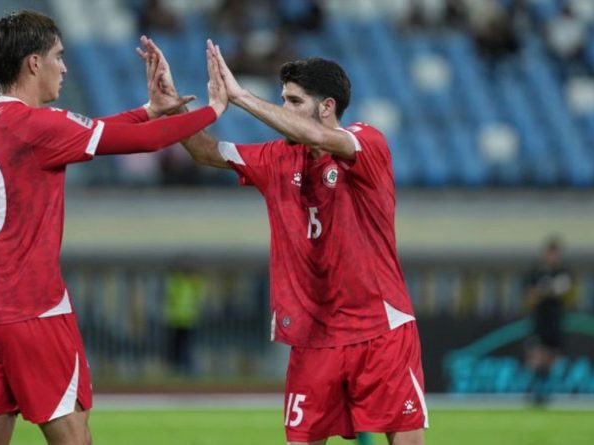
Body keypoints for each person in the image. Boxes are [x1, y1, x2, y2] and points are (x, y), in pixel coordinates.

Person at [0, 11, 227, 445]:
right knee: (74, 438)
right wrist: (214, 109)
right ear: (34, 63)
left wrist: (148, 111)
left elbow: (91, 132)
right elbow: (148, 142)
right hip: (32, 310)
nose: (64, 67)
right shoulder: (37, 125)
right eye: (58, 56)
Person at [138, 38, 427, 445]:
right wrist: (174, 108)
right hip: (313, 338)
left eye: (294, 101)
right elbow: (205, 151)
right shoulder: (276, 158)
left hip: (379, 329)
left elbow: (321, 138)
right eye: (283, 100)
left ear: (326, 107)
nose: (284, 109)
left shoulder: (366, 142)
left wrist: (240, 97)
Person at [523, 235, 572, 406]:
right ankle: (534, 389)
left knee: (553, 354)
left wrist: (546, 291)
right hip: (540, 319)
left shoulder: (563, 272)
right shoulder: (535, 273)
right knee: (538, 353)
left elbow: (566, 293)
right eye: (551, 253)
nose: (553, 257)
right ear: (545, 254)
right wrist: (546, 290)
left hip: (555, 319)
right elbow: (530, 298)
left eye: (556, 254)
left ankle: (544, 388)